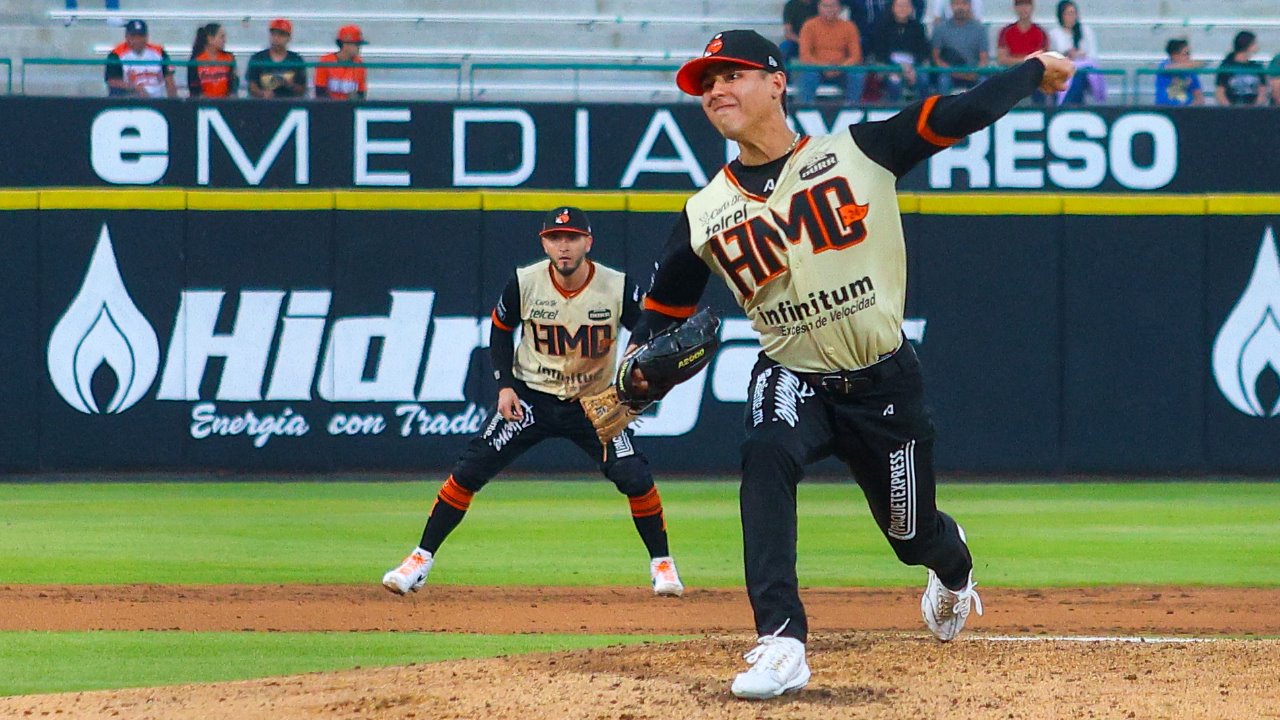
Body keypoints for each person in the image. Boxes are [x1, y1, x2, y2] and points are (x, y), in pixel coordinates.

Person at [648, 29, 1073, 699]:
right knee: (765, 449)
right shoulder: (704, 213)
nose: (716, 90)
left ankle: (953, 567)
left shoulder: (858, 151)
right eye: (705, 83)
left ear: (777, 81)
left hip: (883, 383)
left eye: (731, 74)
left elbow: (957, 112)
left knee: (911, 535)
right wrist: (641, 371)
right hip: (791, 372)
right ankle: (782, 641)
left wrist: (1031, 72)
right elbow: (662, 319)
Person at [381, 206, 685, 600]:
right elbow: (499, 331)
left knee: (635, 477)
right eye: (556, 238)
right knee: (470, 470)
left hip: (593, 404)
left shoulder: (616, 285)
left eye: (572, 237)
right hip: (531, 398)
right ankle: (419, 561)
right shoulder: (525, 282)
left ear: (587, 243)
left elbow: (643, 327)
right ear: (544, 242)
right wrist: (504, 386)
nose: (564, 246)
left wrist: (634, 360)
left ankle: (662, 564)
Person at [797, 0, 867, 105]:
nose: (829, 9)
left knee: (857, 74)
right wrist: (824, 67)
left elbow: (856, 56)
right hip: (817, 69)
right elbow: (805, 55)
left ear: (839, 8)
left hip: (842, 69)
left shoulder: (849, 27)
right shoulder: (809, 26)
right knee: (808, 75)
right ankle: (805, 108)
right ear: (818, 7)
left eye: (833, 6)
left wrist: (840, 67)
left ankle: (852, 109)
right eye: (825, 6)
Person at [868, 0, 931, 102]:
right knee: (894, 81)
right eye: (899, 6)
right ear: (893, 8)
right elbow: (880, 53)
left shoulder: (918, 27)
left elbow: (923, 51)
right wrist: (897, 68)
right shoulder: (883, 27)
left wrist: (912, 68)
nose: (903, 9)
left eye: (906, 6)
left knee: (923, 79)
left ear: (911, 8)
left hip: (914, 66)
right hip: (889, 65)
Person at [104, 19, 177, 98]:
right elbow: (112, 81)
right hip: (130, 101)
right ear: (126, 36)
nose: (137, 40)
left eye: (141, 36)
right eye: (133, 36)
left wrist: (173, 102)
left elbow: (169, 80)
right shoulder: (116, 53)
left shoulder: (159, 51)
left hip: (157, 100)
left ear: (147, 36)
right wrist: (135, 88)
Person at [1047, 0, 1101, 104]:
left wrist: (1080, 56)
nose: (1071, 17)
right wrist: (1067, 55)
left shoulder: (1086, 31)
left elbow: (1093, 56)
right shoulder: (1054, 34)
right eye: (1067, 13)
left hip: (1083, 71)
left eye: (1073, 13)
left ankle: (1070, 105)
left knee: (1078, 76)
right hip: (1061, 73)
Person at [931, 0, 989, 93]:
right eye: (956, 4)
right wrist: (954, 73)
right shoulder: (941, 29)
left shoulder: (980, 29)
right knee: (943, 81)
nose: (960, 7)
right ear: (951, 6)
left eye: (964, 3)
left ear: (970, 6)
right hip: (949, 74)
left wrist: (974, 72)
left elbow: (984, 59)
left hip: (973, 74)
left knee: (984, 81)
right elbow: (936, 57)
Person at [247, 18, 308, 98]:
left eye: (281, 35)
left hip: (289, 102)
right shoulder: (258, 58)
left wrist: (291, 85)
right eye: (273, 34)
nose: (276, 38)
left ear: (289, 38)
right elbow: (252, 85)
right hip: (263, 104)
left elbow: (302, 89)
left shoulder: (296, 60)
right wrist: (262, 93)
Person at [315, 24, 368, 100]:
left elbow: (361, 95)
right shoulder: (326, 61)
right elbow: (320, 92)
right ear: (345, 44)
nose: (359, 48)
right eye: (356, 44)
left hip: (348, 109)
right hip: (326, 109)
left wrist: (354, 98)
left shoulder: (360, 65)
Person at [1215, 31, 1267, 107]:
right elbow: (1220, 92)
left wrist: (1255, 108)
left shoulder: (1257, 67)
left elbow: (1262, 91)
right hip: (1231, 110)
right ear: (1248, 45)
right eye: (1255, 43)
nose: (1257, 46)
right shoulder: (1226, 66)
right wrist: (1230, 109)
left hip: (1254, 111)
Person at [187, 23, 237, 98]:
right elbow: (194, 88)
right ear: (210, 39)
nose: (225, 40)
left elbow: (233, 85)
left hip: (226, 103)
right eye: (222, 37)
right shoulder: (196, 60)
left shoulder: (229, 58)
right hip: (203, 104)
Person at [997, 0, 1048, 66]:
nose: (1023, 8)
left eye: (1027, 5)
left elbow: (1042, 59)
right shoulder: (1005, 32)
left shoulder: (1041, 33)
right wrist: (1026, 59)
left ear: (1032, 7)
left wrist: (1015, 59)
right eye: (1020, 5)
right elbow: (1002, 59)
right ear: (1015, 8)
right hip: (1011, 72)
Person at [1154, 38, 1203, 106]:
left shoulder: (1191, 72)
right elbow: (1169, 68)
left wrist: (1192, 106)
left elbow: (1199, 97)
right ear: (1174, 55)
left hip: (1187, 110)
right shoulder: (1164, 65)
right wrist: (1194, 64)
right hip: (1165, 108)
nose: (1189, 57)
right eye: (1186, 54)